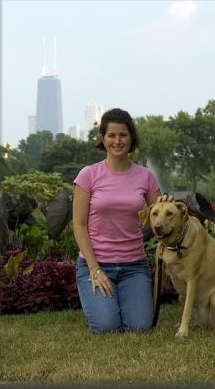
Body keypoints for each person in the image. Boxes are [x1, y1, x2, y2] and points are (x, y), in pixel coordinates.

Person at [73, 108, 170, 334]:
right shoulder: (88, 175)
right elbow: (78, 225)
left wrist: (166, 205)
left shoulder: (145, 176)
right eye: (112, 135)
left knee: (139, 327)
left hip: (134, 267)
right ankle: (104, 303)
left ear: (131, 138)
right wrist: (94, 269)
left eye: (123, 135)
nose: (117, 141)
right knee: (107, 328)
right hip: (96, 264)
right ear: (103, 138)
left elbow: (159, 214)